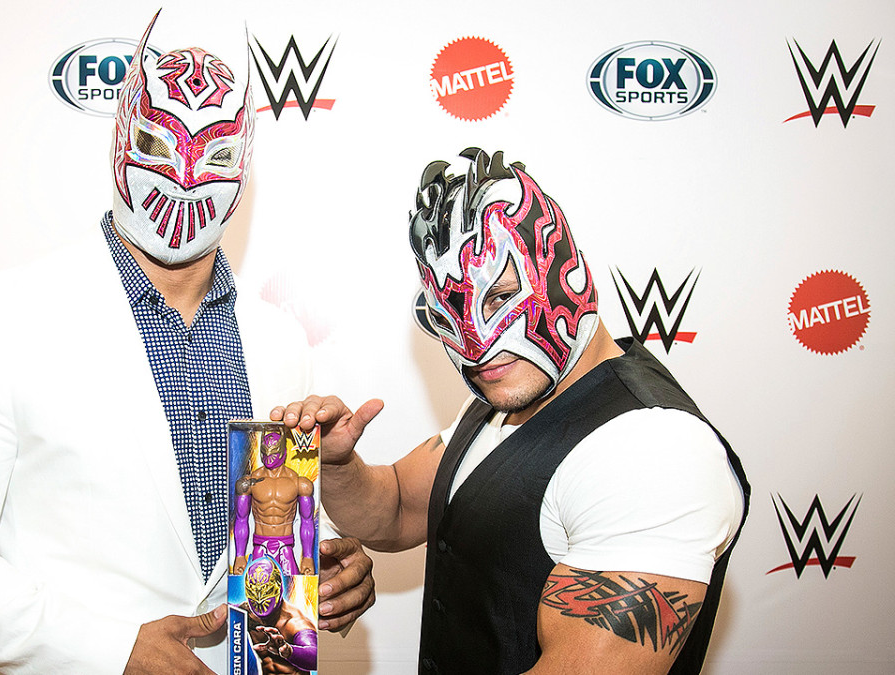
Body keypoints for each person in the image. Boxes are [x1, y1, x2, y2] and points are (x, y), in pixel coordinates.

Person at [0, 12, 374, 675]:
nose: (186, 178)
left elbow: (266, 539)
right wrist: (110, 652)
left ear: (245, 165)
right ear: (121, 139)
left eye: (217, 156)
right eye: (158, 145)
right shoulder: (3, 317)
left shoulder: (278, 340)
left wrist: (327, 558)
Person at [274, 148, 750, 674]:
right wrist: (338, 462)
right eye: (446, 314)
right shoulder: (509, 393)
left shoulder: (652, 452)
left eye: (500, 297)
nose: (476, 345)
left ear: (568, 272)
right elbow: (397, 509)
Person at [232, 430, 317, 576]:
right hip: (260, 545)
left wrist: (308, 557)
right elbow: (241, 519)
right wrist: (239, 556)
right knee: (256, 587)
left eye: (274, 453)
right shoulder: (249, 483)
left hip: (285, 546)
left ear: (283, 452)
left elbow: (307, 521)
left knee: (291, 589)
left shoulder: (300, 484)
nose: (269, 457)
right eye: (265, 453)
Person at [240, 555, 317, 674]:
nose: (260, 602)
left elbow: (315, 656)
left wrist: (289, 651)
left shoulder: (295, 623)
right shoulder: (246, 614)